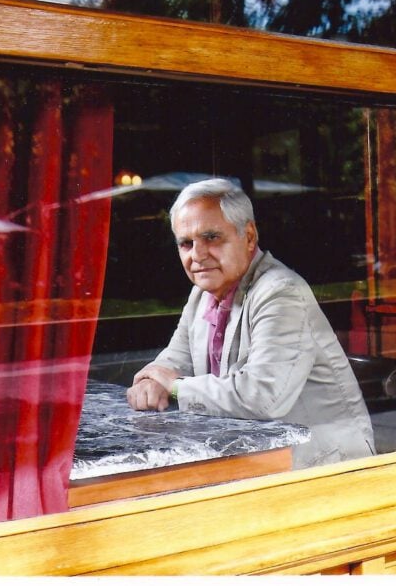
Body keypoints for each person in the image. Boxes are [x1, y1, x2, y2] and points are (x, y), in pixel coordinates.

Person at [126, 178, 375, 469]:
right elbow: (174, 360)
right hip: (257, 457)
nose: (197, 254)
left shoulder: (280, 291)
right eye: (186, 243)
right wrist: (151, 381)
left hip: (322, 466)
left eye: (211, 237)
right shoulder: (202, 294)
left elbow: (264, 397)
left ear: (249, 236)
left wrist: (175, 387)